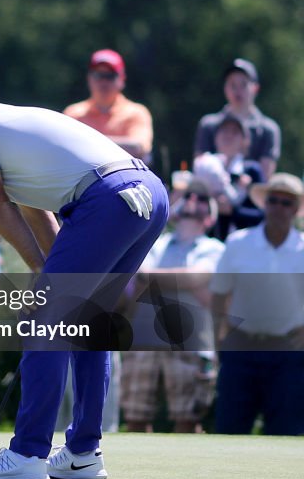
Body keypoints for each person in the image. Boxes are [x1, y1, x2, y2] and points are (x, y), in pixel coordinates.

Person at [0, 97, 168, 479]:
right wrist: (45, 273)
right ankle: (82, 453)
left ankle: (28, 452)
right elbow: (33, 212)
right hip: (147, 194)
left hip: (107, 199)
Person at [210, 173, 304, 435]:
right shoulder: (238, 243)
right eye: (273, 200)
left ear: (296, 209)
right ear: (265, 204)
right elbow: (219, 296)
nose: (278, 208)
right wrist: (219, 344)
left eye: (287, 203)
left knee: (286, 436)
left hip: (288, 353)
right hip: (241, 349)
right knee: (230, 432)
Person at [122, 190, 224, 433]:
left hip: (191, 343)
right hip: (145, 340)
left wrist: (151, 279)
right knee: (135, 418)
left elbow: (196, 277)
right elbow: (140, 273)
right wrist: (185, 280)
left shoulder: (215, 248)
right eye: (189, 197)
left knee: (188, 420)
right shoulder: (156, 241)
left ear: (210, 219)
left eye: (202, 199)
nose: (193, 201)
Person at [194, 58, 280, 180]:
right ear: (225, 88)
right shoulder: (209, 125)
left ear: (255, 88)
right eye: (232, 84)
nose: (237, 90)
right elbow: (200, 169)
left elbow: (263, 178)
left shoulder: (268, 129)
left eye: (243, 84)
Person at [63, 49, 153, 161]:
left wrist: (86, 142)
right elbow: (64, 147)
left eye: (110, 76)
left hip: (124, 177)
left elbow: (138, 148)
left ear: (122, 79)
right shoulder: (73, 113)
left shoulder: (136, 112)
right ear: (89, 78)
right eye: (98, 75)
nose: (104, 82)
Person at [191, 115, 264, 241]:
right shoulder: (204, 167)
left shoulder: (251, 170)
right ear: (215, 138)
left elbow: (262, 215)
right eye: (224, 131)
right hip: (205, 244)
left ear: (245, 141)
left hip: (241, 245)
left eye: (235, 132)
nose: (228, 135)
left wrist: (232, 211)